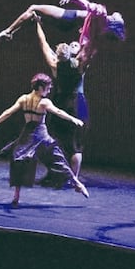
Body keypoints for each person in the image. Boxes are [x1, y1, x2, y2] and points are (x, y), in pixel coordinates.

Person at [0, 73, 89, 206]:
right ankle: (76, 183)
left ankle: (17, 196)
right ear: (40, 87)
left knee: (19, 160)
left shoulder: (24, 99)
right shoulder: (44, 102)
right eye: (48, 87)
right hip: (40, 136)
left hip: (27, 135)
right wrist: (73, 119)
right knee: (56, 159)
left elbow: (8, 112)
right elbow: (57, 112)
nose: (50, 89)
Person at [32, 15, 90, 185]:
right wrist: (88, 30)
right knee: (75, 145)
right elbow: (90, 46)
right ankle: (72, 178)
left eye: (75, 44)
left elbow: (43, 44)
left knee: (53, 139)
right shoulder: (81, 64)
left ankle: (57, 173)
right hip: (79, 104)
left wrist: (38, 25)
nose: (74, 43)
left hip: (60, 101)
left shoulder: (55, 64)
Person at [0, 0, 127, 50]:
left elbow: (88, 5)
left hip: (68, 17)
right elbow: (85, 37)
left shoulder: (102, 14)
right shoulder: (100, 31)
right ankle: (14, 31)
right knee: (34, 17)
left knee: (34, 8)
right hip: (67, 26)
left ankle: (8, 31)